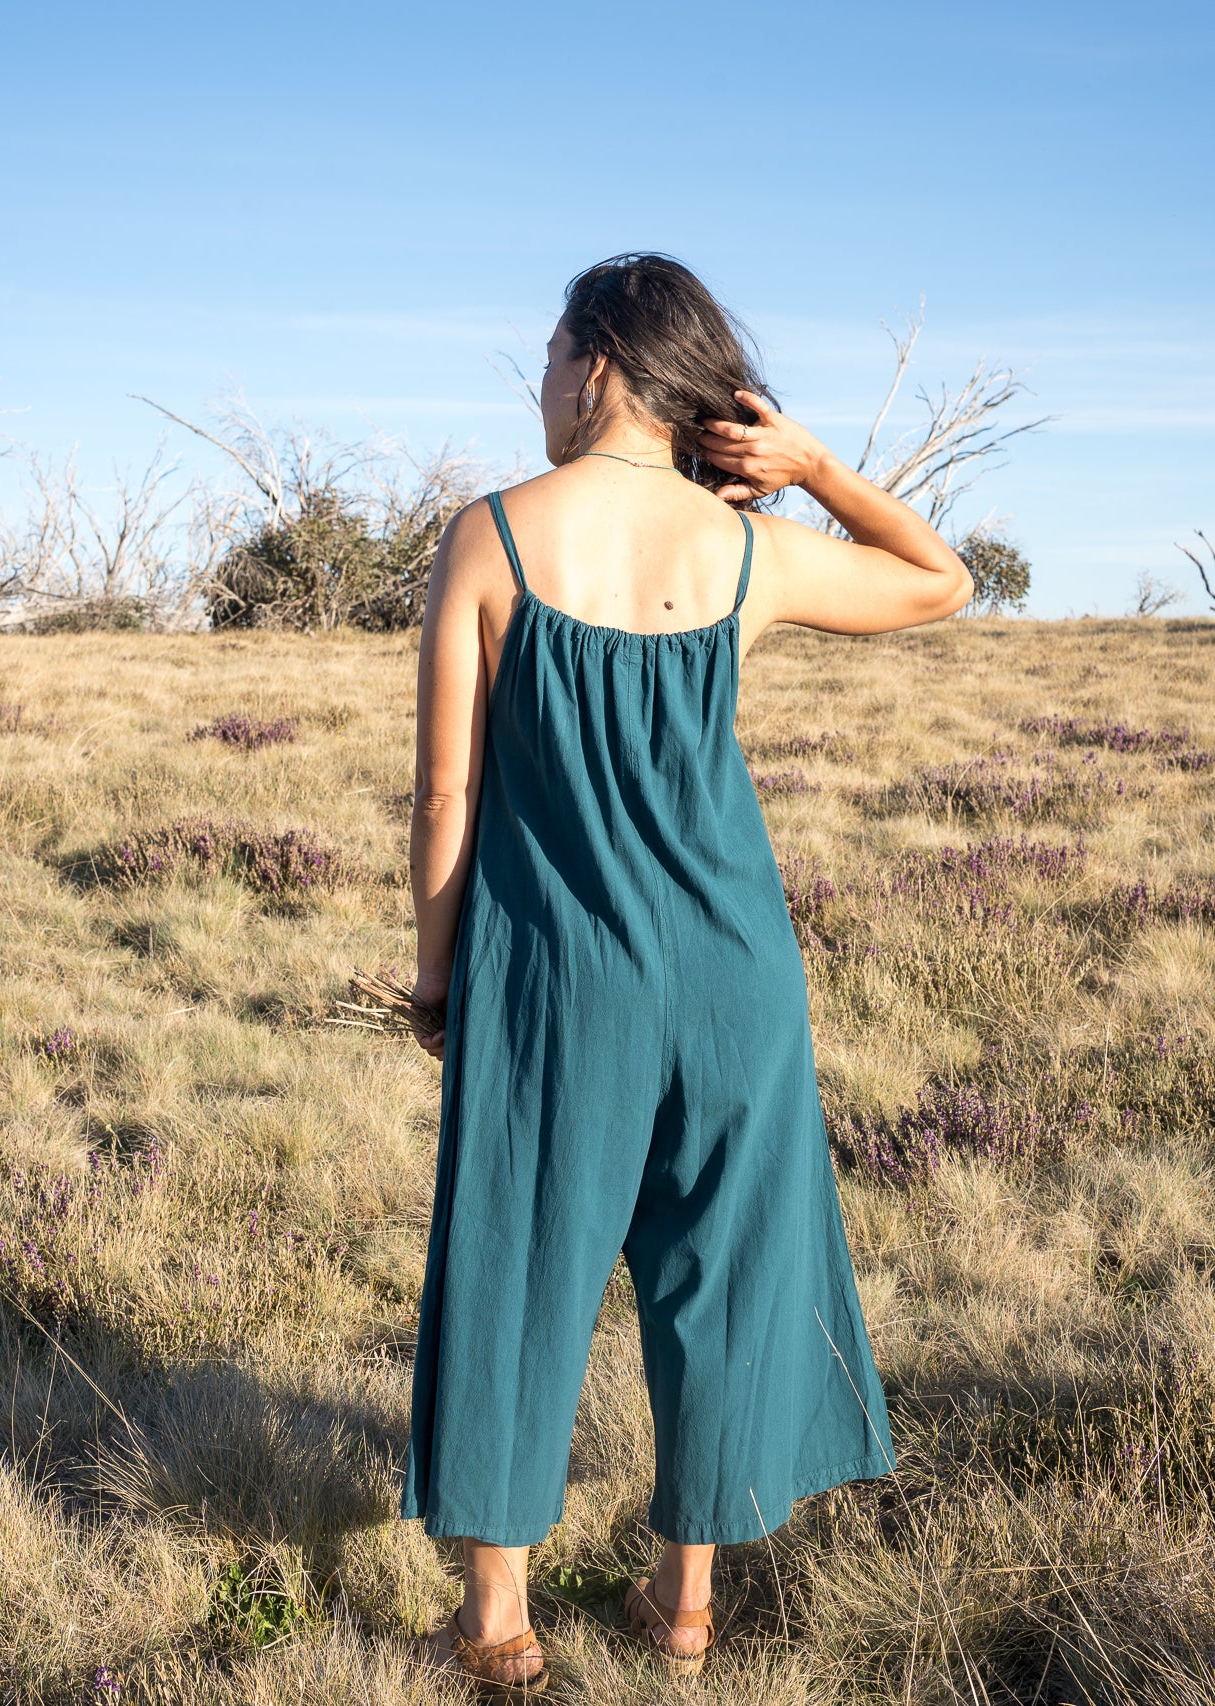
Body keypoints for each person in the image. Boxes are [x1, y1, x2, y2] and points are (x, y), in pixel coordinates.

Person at [401, 252, 973, 1692]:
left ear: (596, 362)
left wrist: (434, 976)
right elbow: (939, 580)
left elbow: (442, 801)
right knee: (718, 1269)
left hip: (551, 974)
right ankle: (684, 1603)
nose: (536, 382)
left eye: (544, 353)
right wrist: (819, 467)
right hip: (733, 973)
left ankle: (499, 1620)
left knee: (515, 1265)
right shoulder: (745, 554)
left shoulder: (491, 536)